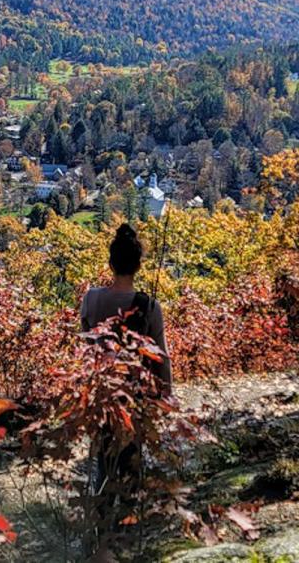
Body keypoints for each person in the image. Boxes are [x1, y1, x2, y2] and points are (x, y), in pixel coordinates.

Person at [78, 223, 172, 524]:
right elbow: (161, 357)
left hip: (102, 395)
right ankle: (127, 533)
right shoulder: (150, 306)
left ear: (111, 262)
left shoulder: (91, 299)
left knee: (104, 466)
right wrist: (164, 396)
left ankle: (100, 533)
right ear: (139, 265)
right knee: (131, 466)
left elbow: (85, 346)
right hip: (135, 396)